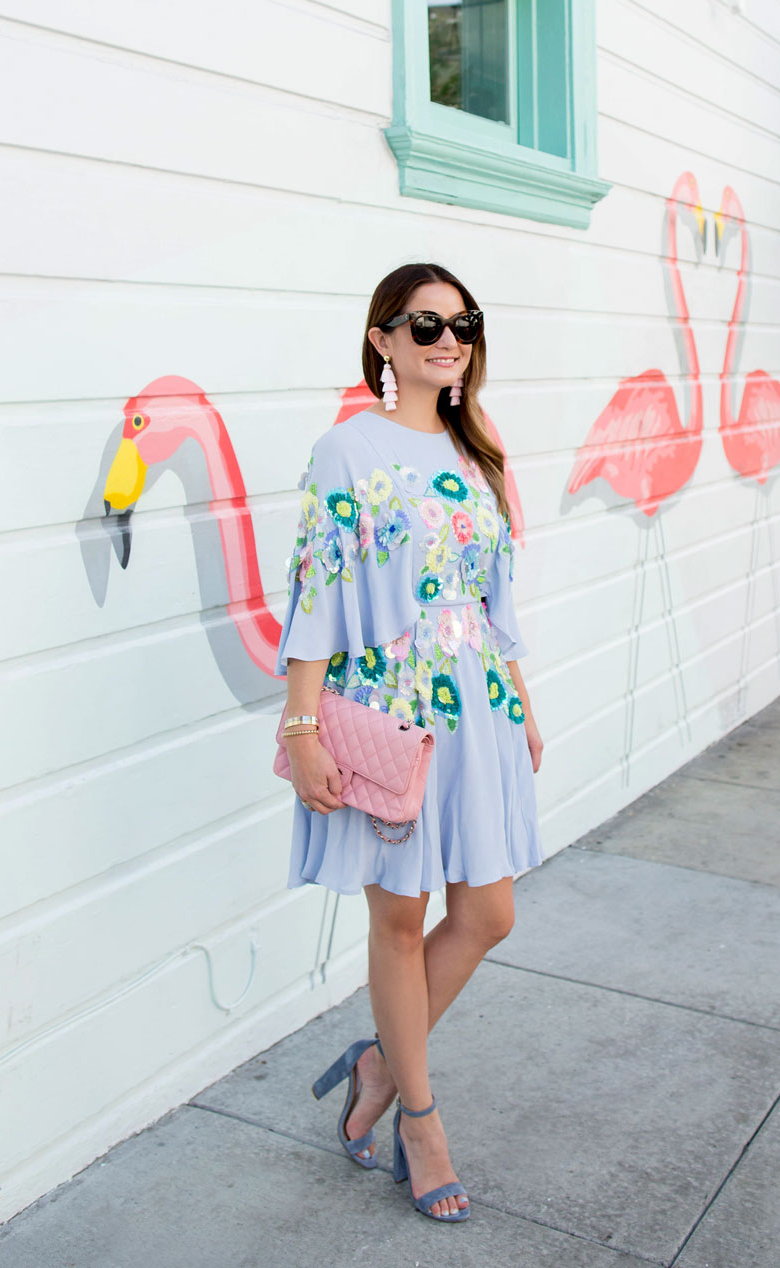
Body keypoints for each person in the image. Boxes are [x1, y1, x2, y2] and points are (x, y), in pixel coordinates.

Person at [274, 262, 544, 1223]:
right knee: (399, 918)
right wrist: (303, 726)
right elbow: (318, 593)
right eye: (424, 325)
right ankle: (419, 1122)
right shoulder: (347, 449)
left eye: (462, 322)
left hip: (478, 707)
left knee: (491, 912)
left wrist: (520, 701)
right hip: (390, 704)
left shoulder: (482, 453)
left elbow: (491, 597)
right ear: (382, 339)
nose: (447, 339)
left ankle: (379, 1061)